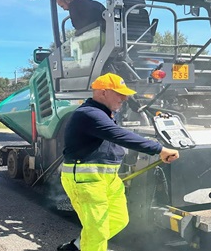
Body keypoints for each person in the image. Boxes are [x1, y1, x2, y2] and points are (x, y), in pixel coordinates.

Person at [57, 73, 180, 251]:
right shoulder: (89, 114)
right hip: (87, 182)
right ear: (103, 92)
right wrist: (159, 149)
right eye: (119, 93)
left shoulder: (103, 114)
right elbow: (119, 135)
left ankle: (76, 247)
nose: (124, 98)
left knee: (118, 219)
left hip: (108, 180)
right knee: (97, 230)